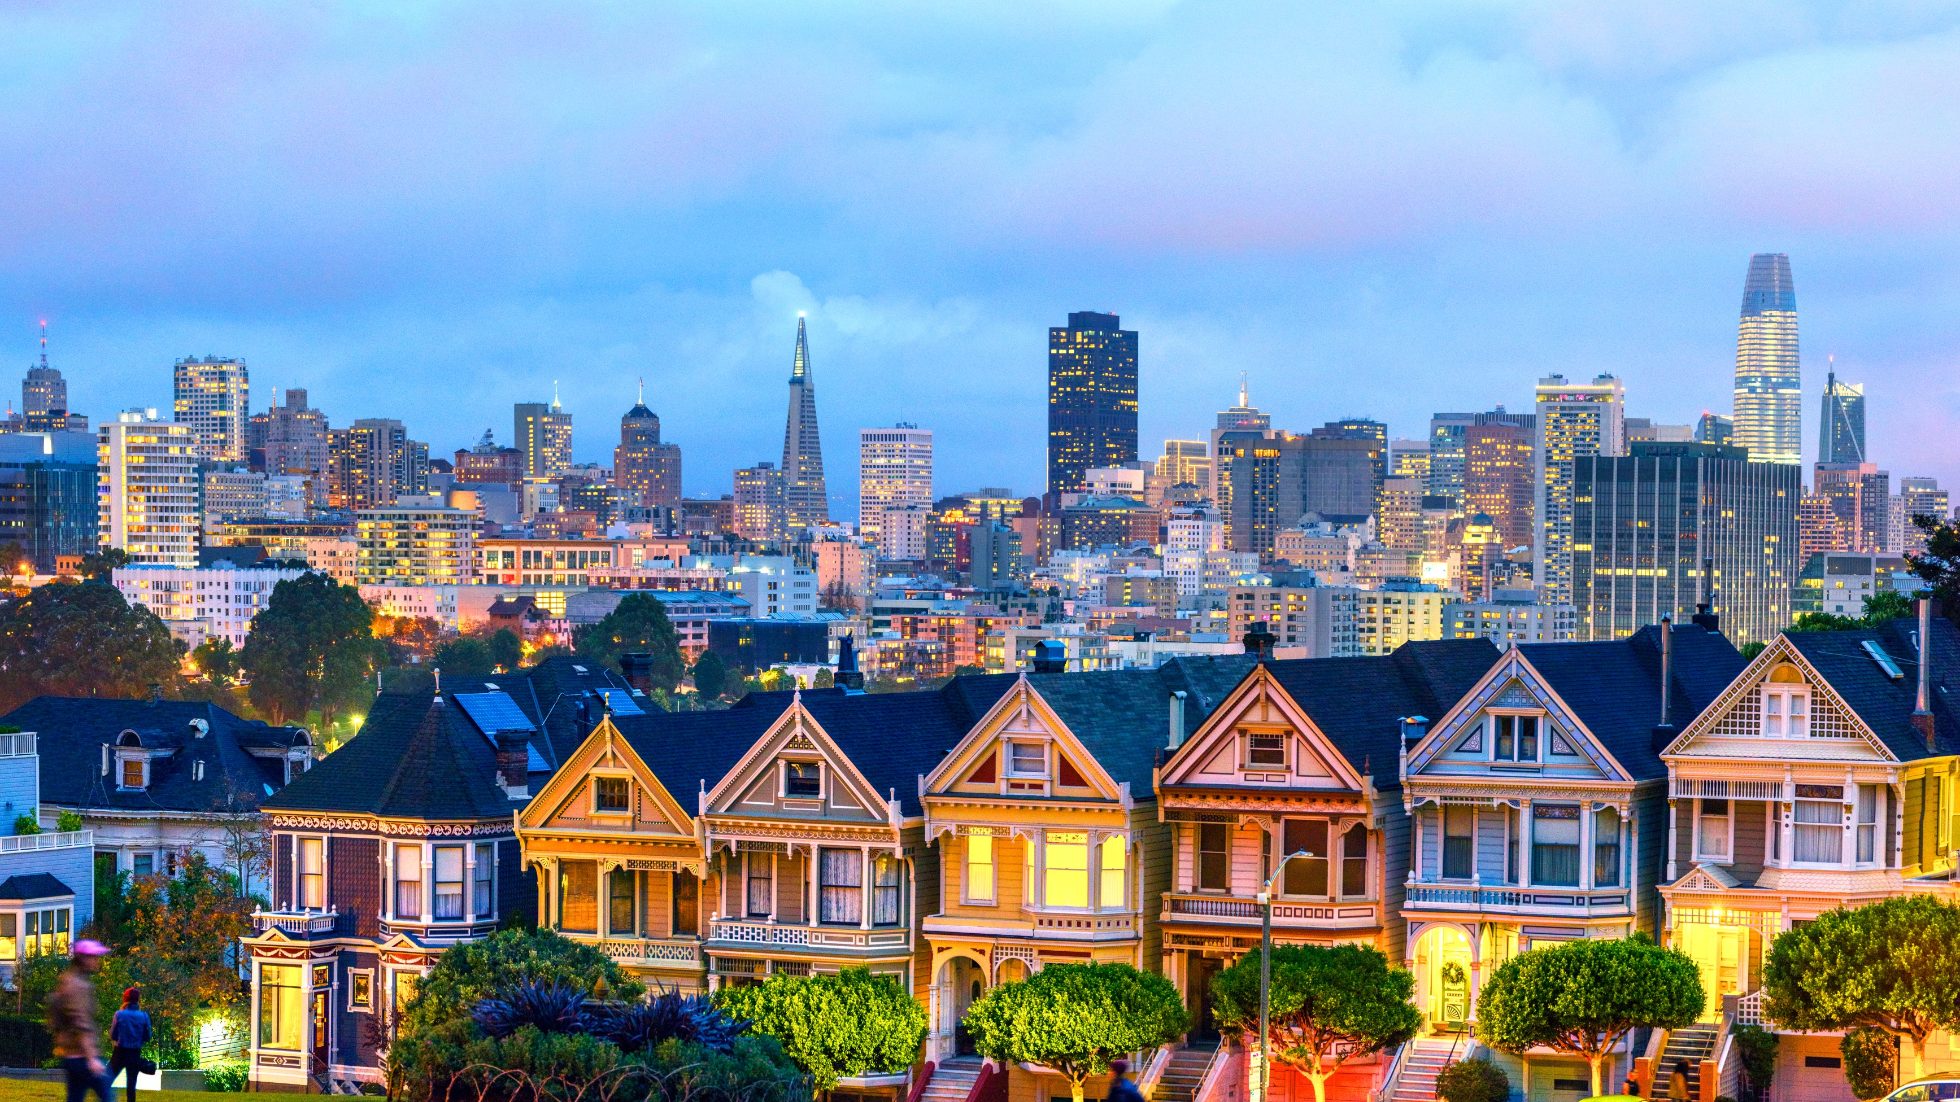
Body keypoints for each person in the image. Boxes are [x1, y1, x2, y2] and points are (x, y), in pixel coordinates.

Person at [49, 940, 113, 1102]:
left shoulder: (66, 980)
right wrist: (92, 1058)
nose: (97, 961)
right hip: (83, 1056)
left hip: (70, 1055)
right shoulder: (79, 986)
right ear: (83, 958)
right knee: (107, 1095)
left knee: (75, 1097)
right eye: (94, 957)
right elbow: (81, 1023)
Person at [109, 987, 153, 1102]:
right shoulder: (144, 1016)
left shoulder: (119, 1014)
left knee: (107, 1080)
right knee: (131, 1086)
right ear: (138, 1000)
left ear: (125, 999)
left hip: (119, 1052)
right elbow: (147, 1036)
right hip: (134, 1053)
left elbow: (113, 1035)